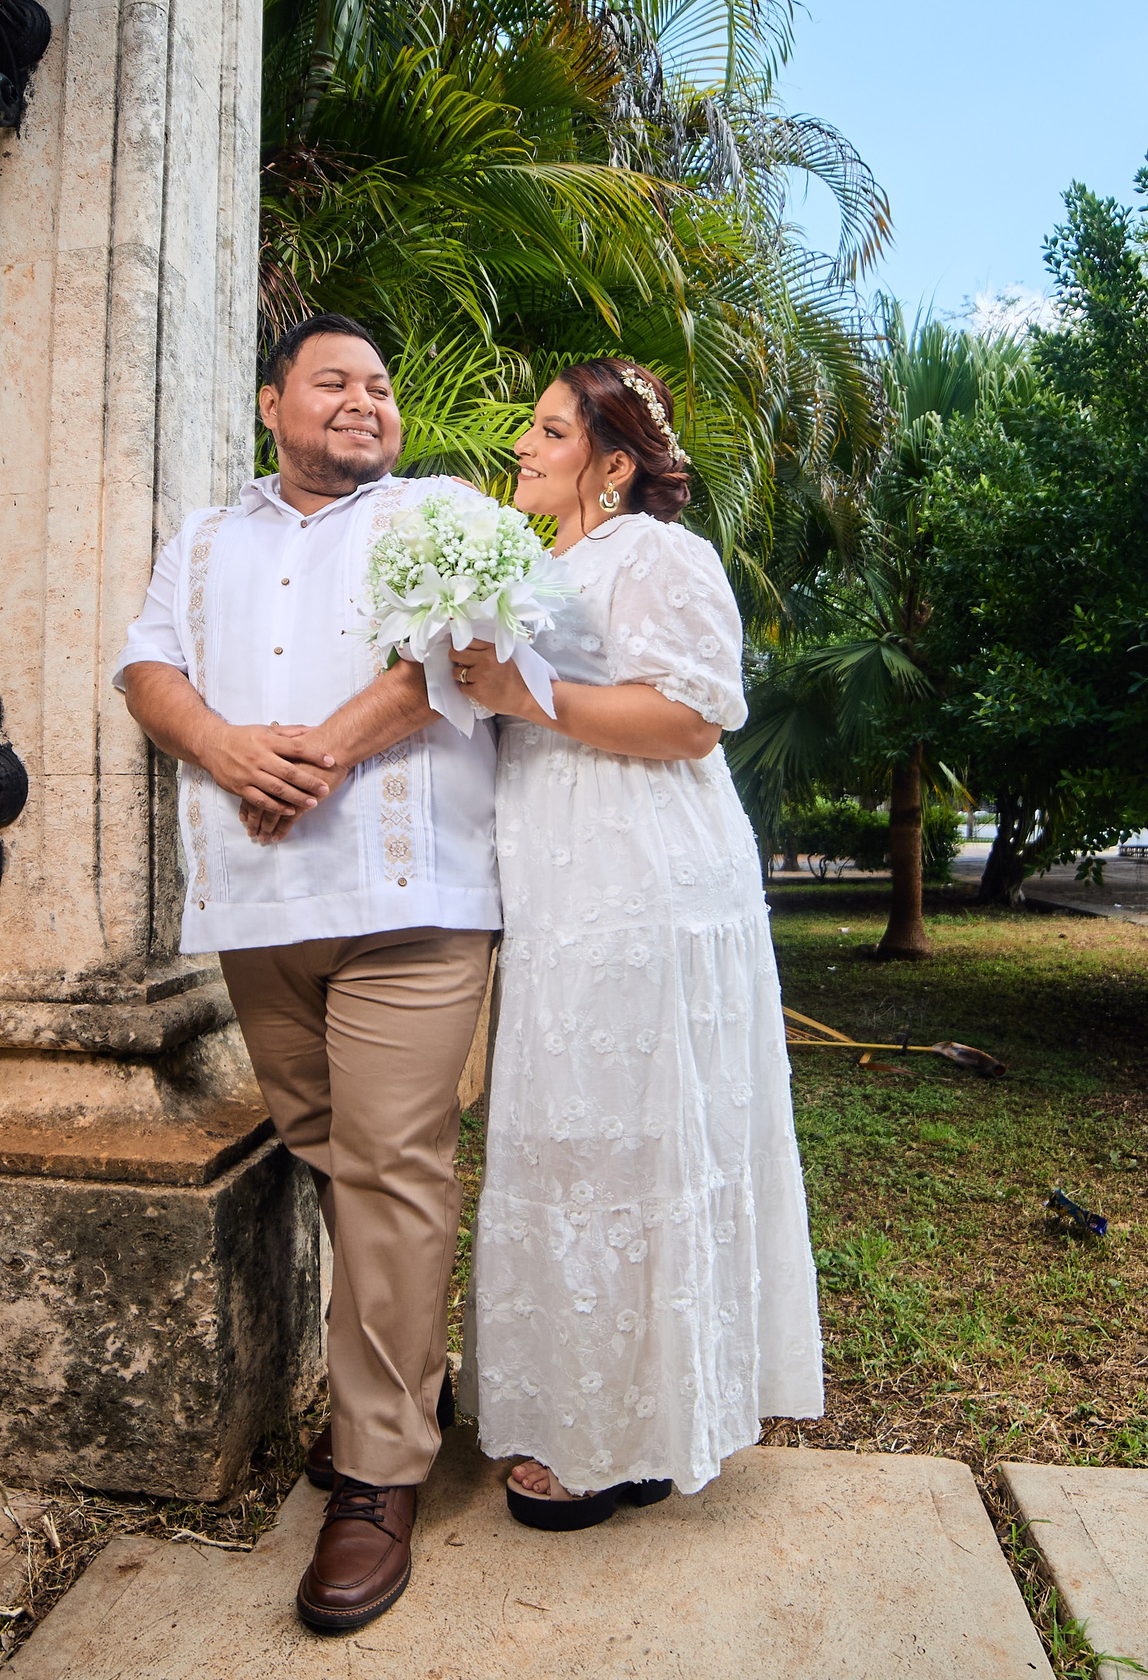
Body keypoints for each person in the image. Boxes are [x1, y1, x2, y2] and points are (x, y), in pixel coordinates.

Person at [112, 313, 502, 1634]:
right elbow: (146, 667)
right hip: (261, 900)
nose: (364, 401)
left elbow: (458, 653)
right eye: (334, 379)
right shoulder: (207, 536)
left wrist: (322, 752)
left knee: (393, 1157)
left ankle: (378, 1471)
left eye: (381, 385)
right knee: (330, 1149)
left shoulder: (438, 508)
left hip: (413, 895)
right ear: (273, 399)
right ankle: (400, 1388)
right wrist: (225, 749)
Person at [451, 358, 824, 1530]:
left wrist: (524, 696)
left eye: (551, 431)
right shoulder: (533, 561)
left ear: (612, 466)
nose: (523, 444)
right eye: (530, 426)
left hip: (645, 882)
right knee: (576, 1139)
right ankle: (610, 1411)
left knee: (626, 1142)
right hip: (561, 881)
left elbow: (696, 713)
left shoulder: (659, 555)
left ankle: (620, 1436)